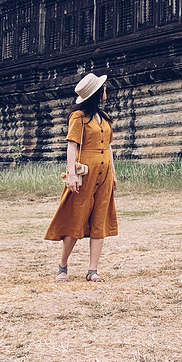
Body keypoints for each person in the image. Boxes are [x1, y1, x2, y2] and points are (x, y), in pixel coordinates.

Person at [45, 72, 118, 282]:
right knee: (76, 218)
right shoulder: (78, 117)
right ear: (97, 93)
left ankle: (92, 270)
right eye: (103, 88)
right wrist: (71, 175)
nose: (106, 90)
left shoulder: (104, 119)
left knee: (99, 220)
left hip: (104, 173)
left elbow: (109, 147)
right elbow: (72, 145)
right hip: (85, 173)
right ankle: (62, 265)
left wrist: (114, 174)